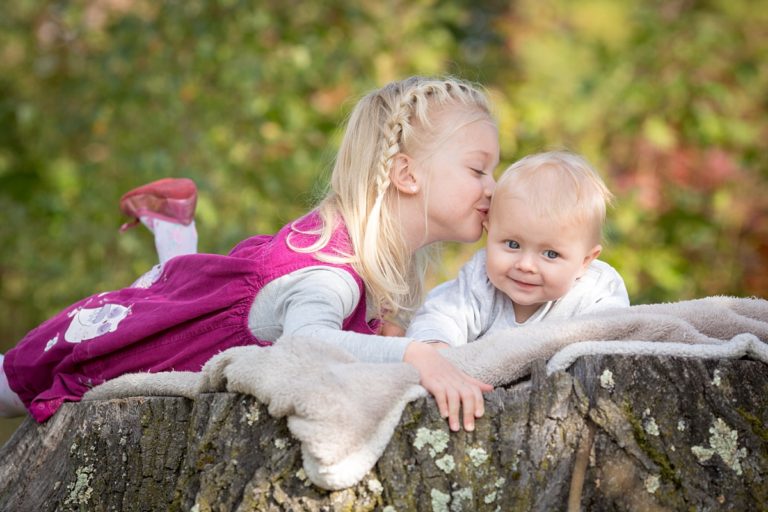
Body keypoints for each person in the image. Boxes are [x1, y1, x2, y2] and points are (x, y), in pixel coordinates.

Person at [0, 76, 499, 432]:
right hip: (133, 339)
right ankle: (173, 234)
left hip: (189, 319)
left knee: (175, 295)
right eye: (478, 170)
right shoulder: (330, 274)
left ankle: (174, 231)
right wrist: (415, 354)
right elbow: (307, 341)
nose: (493, 188)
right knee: (10, 384)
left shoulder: (370, 253)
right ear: (406, 175)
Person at [406, 151, 630, 346]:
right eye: (513, 245)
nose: (526, 265)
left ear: (585, 262)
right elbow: (440, 317)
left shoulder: (597, 291)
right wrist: (437, 346)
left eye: (550, 254)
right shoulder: (480, 281)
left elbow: (614, 335)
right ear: (489, 232)